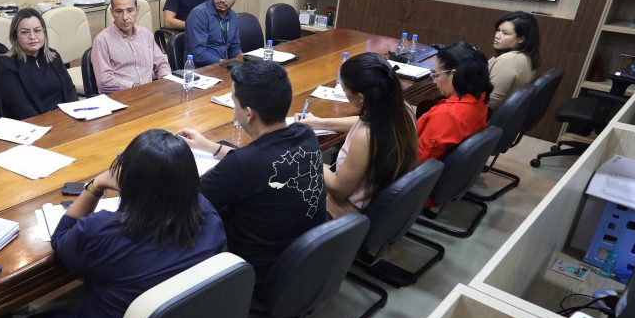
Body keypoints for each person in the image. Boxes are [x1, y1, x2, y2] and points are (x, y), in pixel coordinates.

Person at [20, 129, 225, 318]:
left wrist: (96, 185)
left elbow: (61, 239)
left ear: (128, 181)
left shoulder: (104, 232)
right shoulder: (209, 217)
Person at [178, 61, 326, 289]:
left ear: (248, 114)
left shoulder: (243, 165)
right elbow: (262, 160)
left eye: (234, 101)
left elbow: (184, 202)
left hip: (256, 277)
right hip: (302, 265)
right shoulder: (305, 135)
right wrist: (210, 147)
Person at [296, 53, 419, 217]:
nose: (343, 90)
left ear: (360, 97)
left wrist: (311, 157)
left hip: (348, 211)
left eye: (344, 87)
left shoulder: (365, 137)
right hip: (377, 196)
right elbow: (361, 121)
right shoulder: (402, 109)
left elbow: (339, 192)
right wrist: (320, 122)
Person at [0, 7, 78, 120]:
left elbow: (70, 89)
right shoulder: (7, 66)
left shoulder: (53, 56)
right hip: (32, 126)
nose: (33, 37)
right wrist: (49, 123)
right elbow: (21, 107)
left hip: (64, 119)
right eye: (25, 32)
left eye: (37, 30)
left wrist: (75, 114)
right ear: (15, 36)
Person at [417, 41, 492, 163]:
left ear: (452, 75)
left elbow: (421, 161)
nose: (434, 82)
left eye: (436, 75)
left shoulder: (446, 116)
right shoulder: (479, 99)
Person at [91, 0, 171, 93]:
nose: (125, 17)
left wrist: (166, 79)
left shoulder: (145, 34)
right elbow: (104, 82)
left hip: (149, 94)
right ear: (112, 12)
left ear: (137, 10)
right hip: (122, 98)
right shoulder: (102, 41)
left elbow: (161, 63)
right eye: (119, 11)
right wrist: (135, 87)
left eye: (130, 10)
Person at [184, 0, 243, 67]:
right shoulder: (199, 14)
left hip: (223, 67)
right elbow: (197, 54)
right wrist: (224, 62)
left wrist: (240, 59)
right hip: (202, 71)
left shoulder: (233, 16)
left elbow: (235, 47)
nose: (223, 0)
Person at [488, 10, 539, 109]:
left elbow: (490, 102)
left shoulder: (509, 59)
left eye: (505, 33)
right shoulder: (525, 56)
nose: (497, 36)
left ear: (521, 39)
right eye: (498, 30)